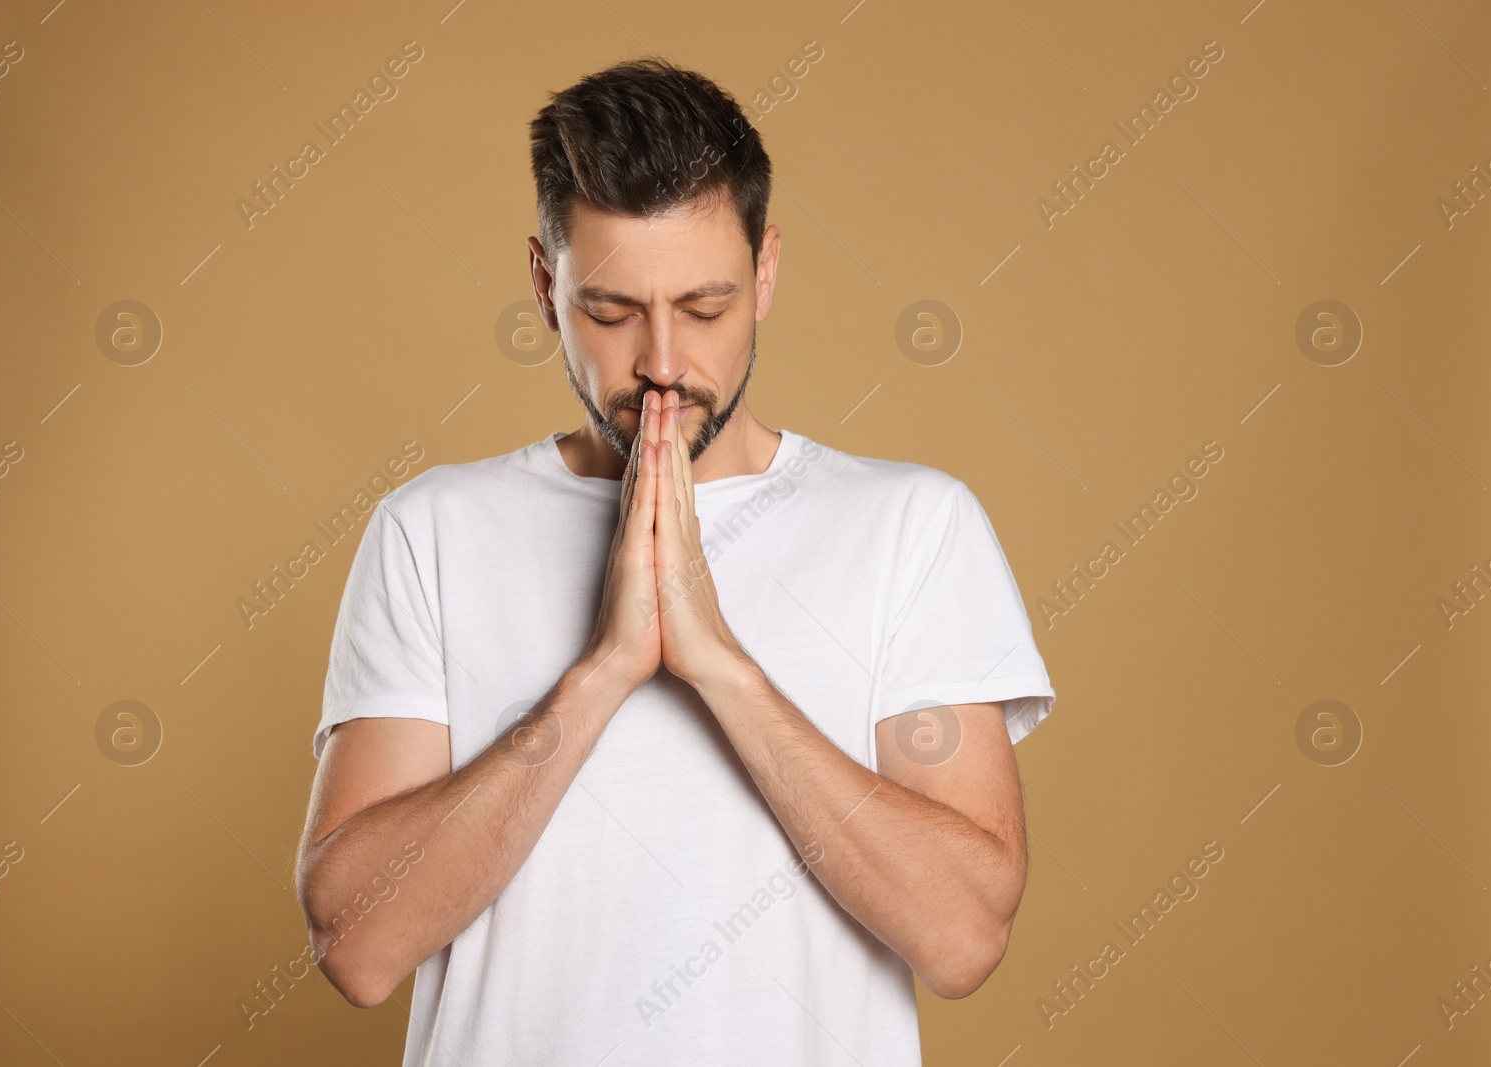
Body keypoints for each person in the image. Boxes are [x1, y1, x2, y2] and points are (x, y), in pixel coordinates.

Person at [293, 56, 1056, 1066]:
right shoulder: (432, 531)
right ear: (543, 286)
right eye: (611, 312)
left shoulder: (912, 526)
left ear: (766, 274)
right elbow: (357, 945)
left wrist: (719, 665)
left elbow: (962, 937)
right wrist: (603, 668)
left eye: (704, 308)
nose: (660, 360)